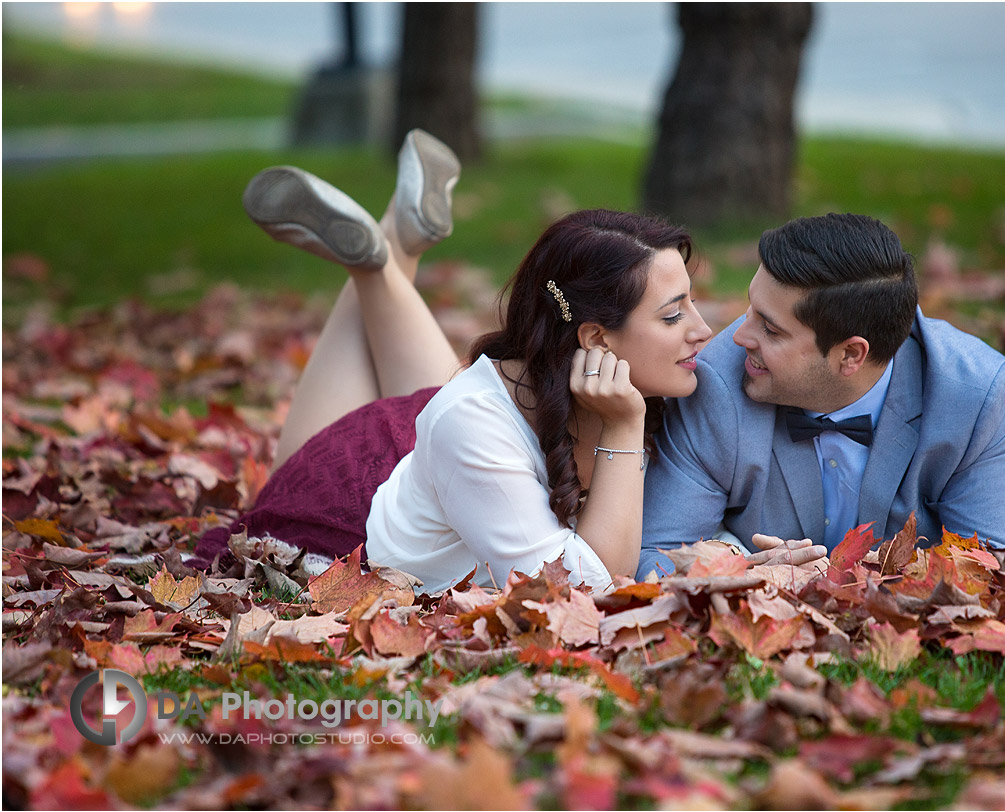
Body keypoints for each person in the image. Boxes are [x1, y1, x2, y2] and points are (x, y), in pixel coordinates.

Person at [192, 129, 713, 593]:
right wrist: (624, 430)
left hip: (432, 452)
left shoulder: (637, 386)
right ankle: (385, 252)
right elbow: (585, 592)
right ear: (596, 339)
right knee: (303, 475)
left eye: (693, 301)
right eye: (672, 317)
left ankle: (387, 249)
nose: (702, 329)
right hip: (346, 516)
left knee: (451, 405)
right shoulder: (478, 425)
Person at [637, 212, 1005, 580]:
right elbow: (656, 554)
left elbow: (995, 571)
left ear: (850, 355)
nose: (739, 337)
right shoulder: (716, 385)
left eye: (771, 330)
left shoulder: (975, 396)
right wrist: (742, 573)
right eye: (750, 310)